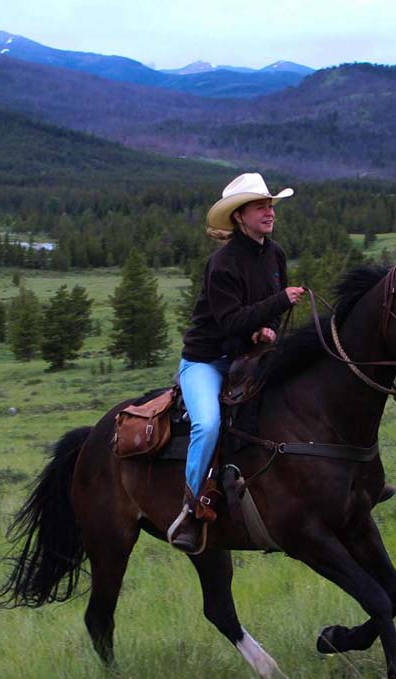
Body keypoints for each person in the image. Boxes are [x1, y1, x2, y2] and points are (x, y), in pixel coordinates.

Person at [168, 173, 305, 553]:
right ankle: (192, 507)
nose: (269, 212)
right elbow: (228, 321)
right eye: (260, 206)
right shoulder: (222, 263)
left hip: (247, 356)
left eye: (270, 206)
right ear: (240, 216)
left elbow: (264, 313)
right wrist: (275, 308)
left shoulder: (274, 255)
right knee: (208, 424)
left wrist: (267, 330)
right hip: (207, 361)